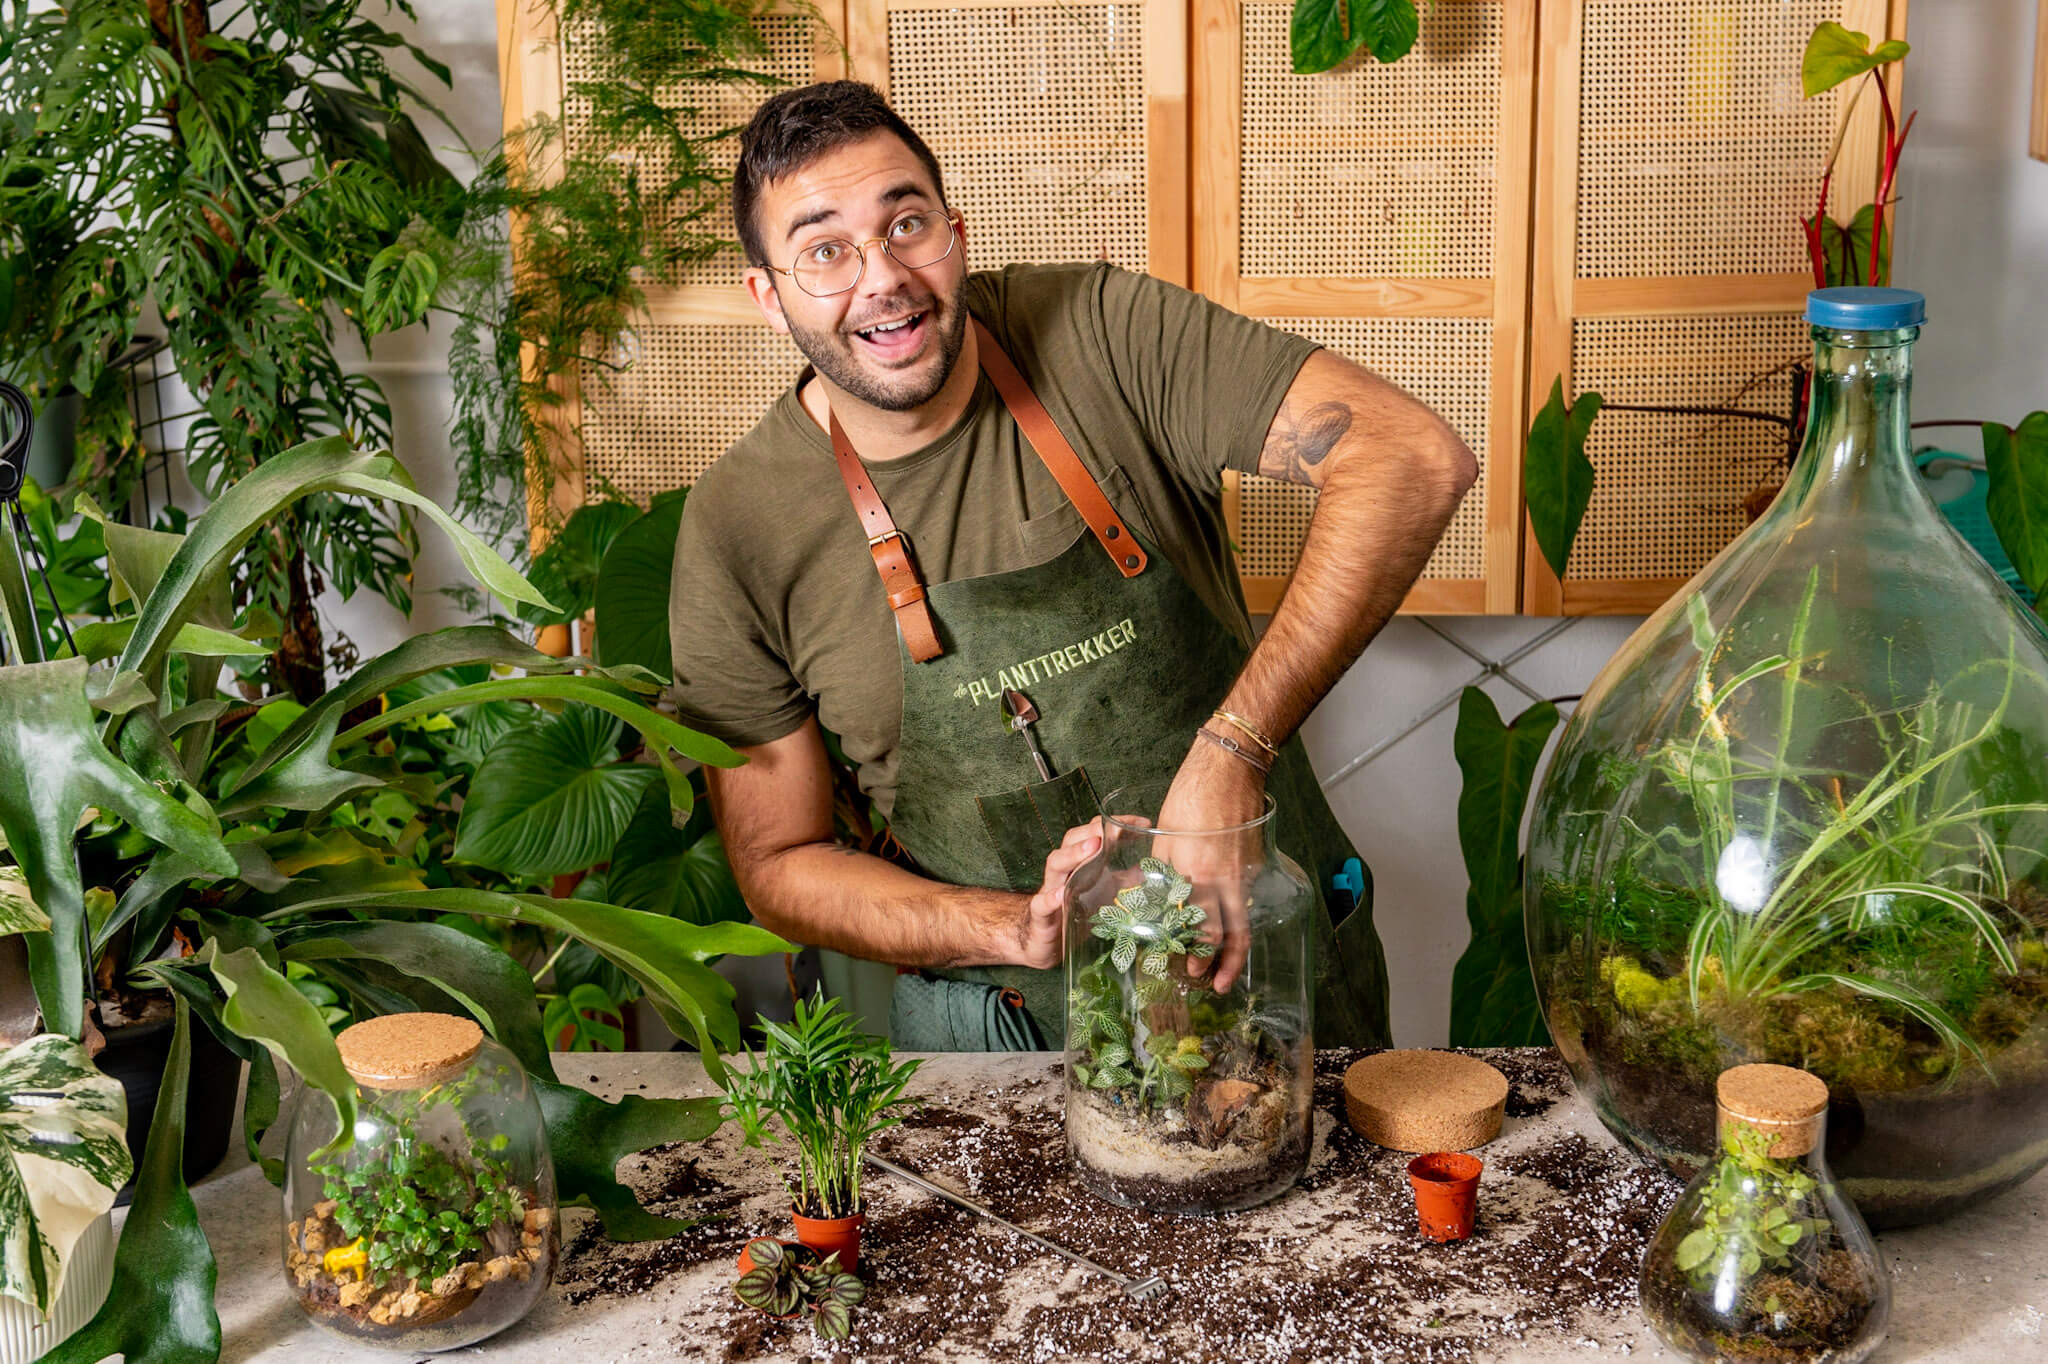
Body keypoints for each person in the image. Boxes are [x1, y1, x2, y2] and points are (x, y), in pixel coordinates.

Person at [667, 81, 1477, 1050]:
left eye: (905, 222)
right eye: (823, 250)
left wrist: (1232, 751)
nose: (881, 276)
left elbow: (1409, 457)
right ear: (768, 295)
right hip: (1001, 1035)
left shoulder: (1100, 333)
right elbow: (779, 859)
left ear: (954, 231)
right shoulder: (739, 524)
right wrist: (1012, 924)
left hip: (1266, 989)